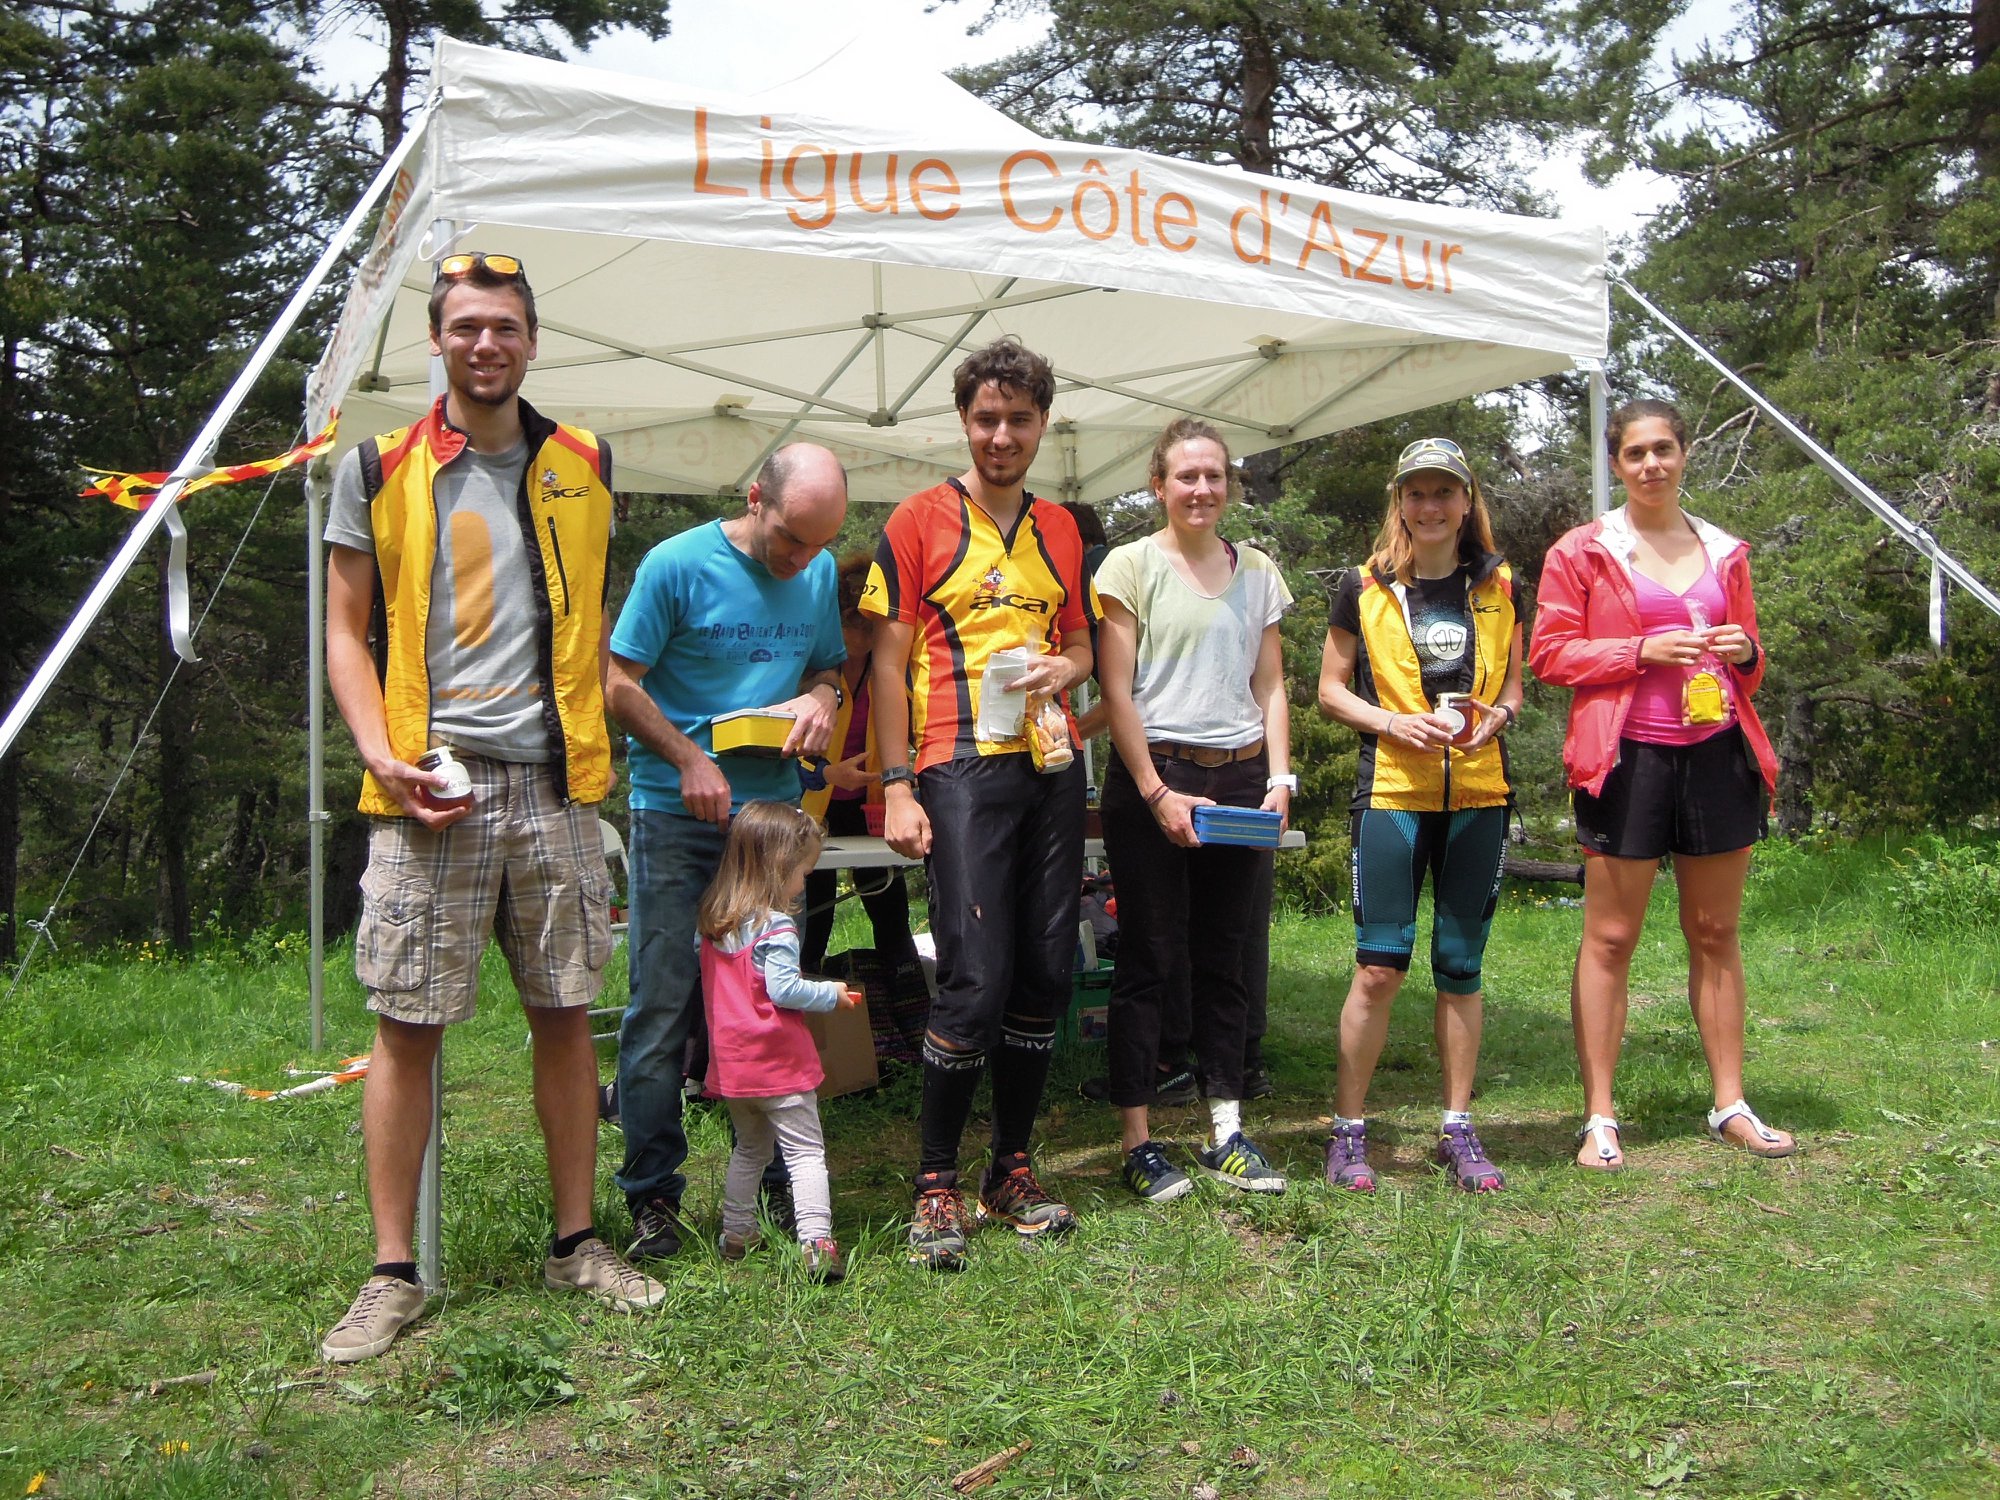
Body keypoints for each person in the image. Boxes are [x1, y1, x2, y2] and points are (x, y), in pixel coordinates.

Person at [319, 250, 663, 1363]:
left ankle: (576, 1243)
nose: (485, 344)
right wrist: (384, 757)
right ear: (436, 339)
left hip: (557, 785)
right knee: (404, 1026)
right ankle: (391, 1274)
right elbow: (344, 630)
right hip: (433, 787)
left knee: (564, 1012)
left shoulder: (584, 461)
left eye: (504, 327)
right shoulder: (377, 465)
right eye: (465, 326)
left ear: (529, 342)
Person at [864, 336, 1097, 1272]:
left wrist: (1063, 666)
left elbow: (1081, 645)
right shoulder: (919, 519)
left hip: (1050, 767)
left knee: (1047, 972)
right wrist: (892, 786)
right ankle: (933, 1184)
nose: (1002, 435)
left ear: (1043, 424)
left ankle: (1011, 1169)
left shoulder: (1066, 528)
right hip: (955, 767)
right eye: (987, 419)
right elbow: (884, 663)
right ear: (964, 422)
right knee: (974, 975)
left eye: (1020, 419)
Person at [1529, 399, 1791, 1170]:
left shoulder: (1723, 551)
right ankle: (1601, 1117)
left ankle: (1731, 1104)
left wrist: (1744, 651)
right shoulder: (1584, 549)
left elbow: (1752, 663)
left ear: (1684, 456)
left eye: (1664, 450)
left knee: (1715, 934)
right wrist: (1642, 650)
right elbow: (1550, 656)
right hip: (1625, 759)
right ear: (1616, 465)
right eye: (1635, 453)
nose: (1651, 465)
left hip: (1717, 754)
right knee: (1611, 937)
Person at [605, 444, 849, 1260]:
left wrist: (821, 697)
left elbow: (828, 669)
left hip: (772, 821)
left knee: (773, 996)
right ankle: (653, 1198)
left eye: (818, 545)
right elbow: (619, 684)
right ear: (754, 498)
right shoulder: (675, 564)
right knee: (664, 1007)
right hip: (676, 812)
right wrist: (689, 758)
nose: (802, 560)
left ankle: (781, 1183)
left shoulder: (814, 572)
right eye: (789, 540)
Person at [1316, 437, 1524, 1194]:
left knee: (1461, 968)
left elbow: (1514, 692)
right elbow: (1330, 690)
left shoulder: (1500, 585)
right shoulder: (1363, 585)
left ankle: (1457, 1129)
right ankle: (1347, 1132)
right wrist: (1389, 723)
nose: (1430, 507)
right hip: (1394, 794)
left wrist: (1495, 718)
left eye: (1444, 493)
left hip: (1478, 794)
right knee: (1378, 967)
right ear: (1398, 503)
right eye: (1416, 494)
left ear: (1468, 501)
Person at [1094, 418, 1295, 1202]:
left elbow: (1271, 684)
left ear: (1230, 485)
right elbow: (1116, 691)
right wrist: (1154, 791)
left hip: (1243, 781)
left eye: (1214, 476)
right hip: (1156, 776)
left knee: (1226, 955)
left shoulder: (1261, 573)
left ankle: (1226, 1129)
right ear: (1159, 486)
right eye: (1186, 477)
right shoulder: (1130, 565)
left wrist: (1281, 779)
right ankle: (1139, 1141)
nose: (1202, 489)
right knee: (1148, 957)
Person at [698, 801, 866, 1282]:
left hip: (733, 1067)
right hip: (778, 1064)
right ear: (779, 867)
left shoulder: (717, 922)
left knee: (750, 1150)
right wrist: (831, 993)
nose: (805, 880)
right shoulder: (776, 926)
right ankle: (816, 1243)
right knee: (805, 1153)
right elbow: (783, 989)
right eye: (804, 871)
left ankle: (736, 1232)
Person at [799, 555, 927, 1063]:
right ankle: (812, 1040)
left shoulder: (893, 672)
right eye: (858, 624)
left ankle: (916, 1033)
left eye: (877, 626)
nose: (869, 637)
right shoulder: (807, 671)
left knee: (891, 913)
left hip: (874, 808)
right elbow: (779, 752)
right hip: (810, 809)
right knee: (812, 915)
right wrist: (828, 775)